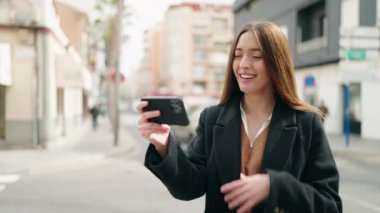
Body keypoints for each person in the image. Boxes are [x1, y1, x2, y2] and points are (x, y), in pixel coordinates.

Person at [136, 21, 342, 213]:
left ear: (277, 63)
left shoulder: (306, 123)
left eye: (256, 56)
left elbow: (330, 205)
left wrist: (275, 186)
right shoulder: (212, 118)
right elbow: (190, 187)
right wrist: (165, 146)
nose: (243, 64)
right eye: (237, 55)